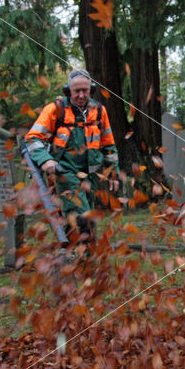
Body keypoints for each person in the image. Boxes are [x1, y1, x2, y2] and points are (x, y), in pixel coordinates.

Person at [25, 69, 120, 243]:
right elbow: (32, 138)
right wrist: (46, 160)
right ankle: (87, 256)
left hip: (90, 175)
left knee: (78, 214)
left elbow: (109, 145)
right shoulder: (55, 110)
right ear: (68, 90)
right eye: (77, 91)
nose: (82, 95)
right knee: (82, 213)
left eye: (85, 90)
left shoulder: (99, 111)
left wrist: (113, 174)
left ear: (91, 90)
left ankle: (71, 254)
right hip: (64, 172)